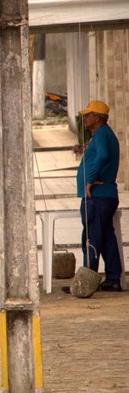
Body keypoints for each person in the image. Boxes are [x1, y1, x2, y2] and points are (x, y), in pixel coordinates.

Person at [76, 100, 123, 292]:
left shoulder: (102, 133)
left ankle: (87, 281)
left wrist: (90, 178)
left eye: (88, 115)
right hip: (103, 195)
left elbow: (102, 156)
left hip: (98, 196)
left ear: (97, 117)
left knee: (91, 237)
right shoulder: (102, 134)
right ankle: (113, 277)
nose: (84, 118)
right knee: (105, 238)